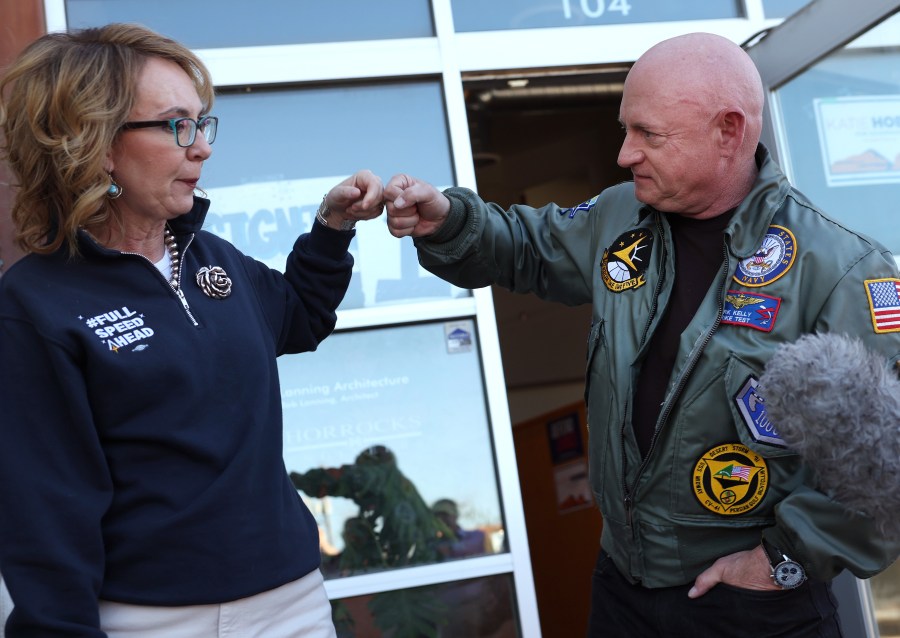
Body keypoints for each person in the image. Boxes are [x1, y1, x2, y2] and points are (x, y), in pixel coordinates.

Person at [384, 32, 900, 637]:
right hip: (623, 589)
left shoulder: (843, 269)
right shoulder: (619, 216)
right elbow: (527, 247)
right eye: (625, 130)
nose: (625, 155)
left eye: (648, 135)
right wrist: (449, 221)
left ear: (729, 132)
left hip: (752, 607)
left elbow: (889, 465)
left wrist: (785, 561)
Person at [0, 23, 383, 637]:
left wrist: (331, 227)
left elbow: (300, 316)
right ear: (94, 142)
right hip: (154, 621)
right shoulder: (36, 307)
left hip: (295, 602)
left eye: (203, 123)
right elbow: (45, 515)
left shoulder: (214, 260)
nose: (201, 147)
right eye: (177, 125)